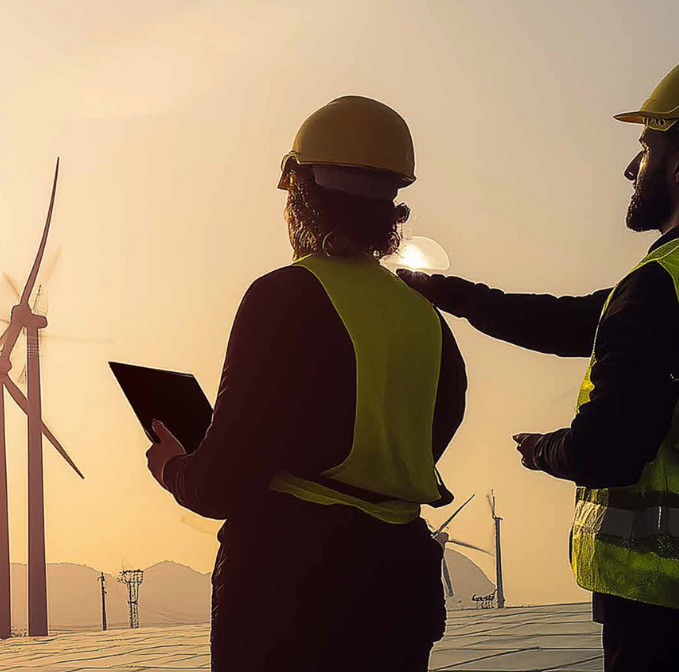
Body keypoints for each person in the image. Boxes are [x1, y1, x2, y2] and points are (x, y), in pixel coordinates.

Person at [399, 48, 679, 671]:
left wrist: (543, 450)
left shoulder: (665, 284)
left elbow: (606, 452)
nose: (631, 168)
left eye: (645, 148)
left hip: (669, 606)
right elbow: (576, 322)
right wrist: (448, 292)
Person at [146, 95, 467, 672]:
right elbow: (432, 429)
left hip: (291, 593)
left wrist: (174, 466)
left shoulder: (282, 297)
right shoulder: (427, 317)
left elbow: (220, 486)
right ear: (392, 207)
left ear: (301, 193)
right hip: (398, 588)